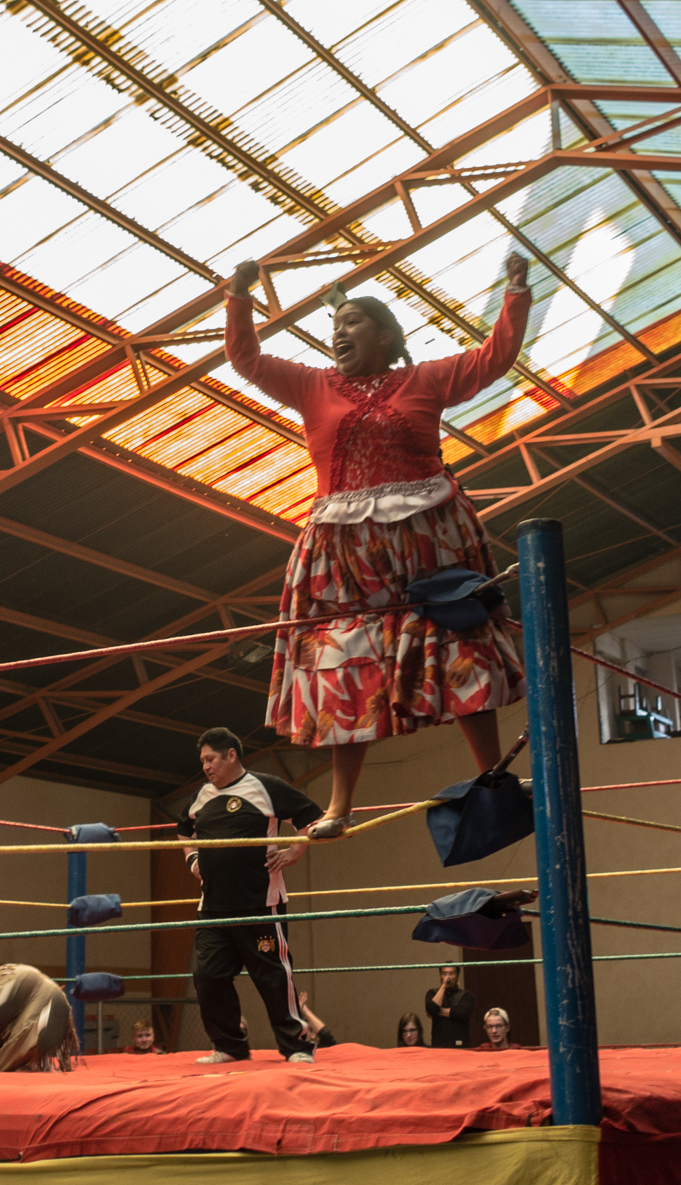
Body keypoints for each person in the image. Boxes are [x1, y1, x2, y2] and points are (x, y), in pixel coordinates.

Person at [222, 251, 532, 836]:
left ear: (387, 336)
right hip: (343, 551)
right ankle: (340, 806)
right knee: (345, 666)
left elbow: (494, 359)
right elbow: (246, 357)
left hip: (430, 538)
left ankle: (492, 775)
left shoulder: (425, 378)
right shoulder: (313, 385)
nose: (338, 333)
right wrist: (238, 296)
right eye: (335, 327)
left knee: (458, 646)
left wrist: (515, 292)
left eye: (352, 323)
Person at [176, 727, 320, 1065]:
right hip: (212, 908)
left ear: (231, 755)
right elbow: (183, 828)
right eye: (202, 761)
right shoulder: (201, 796)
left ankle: (297, 1047)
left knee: (273, 976)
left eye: (210, 759)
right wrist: (192, 856)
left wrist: (293, 852)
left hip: (261, 904)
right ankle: (230, 1045)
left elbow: (312, 818)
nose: (206, 767)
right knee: (207, 977)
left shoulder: (266, 787)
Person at [425, 965, 474, 1048]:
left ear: (457, 976)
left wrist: (439, 1011)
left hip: (461, 1046)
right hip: (439, 1046)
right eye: (444, 974)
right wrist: (443, 987)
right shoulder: (432, 993)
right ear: (440, 976)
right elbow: (432, 1009)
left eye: (451, 974)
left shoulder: (466, 995)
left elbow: (461, 1013)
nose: (448, 977)